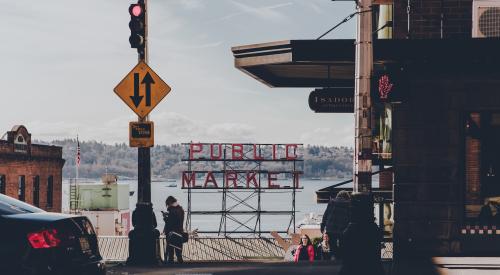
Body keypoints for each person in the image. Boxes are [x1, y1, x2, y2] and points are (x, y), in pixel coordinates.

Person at [320, 190, 351, 259]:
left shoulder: (331, 202)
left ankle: (334, 261)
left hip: (330, 229)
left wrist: (322, 228)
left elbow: (325, 215)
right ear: (347, 197)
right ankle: (340, 260)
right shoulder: (349, 204)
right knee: (343, 246)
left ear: (338, 196)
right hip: (343, 230)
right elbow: (350, 218)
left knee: (332, 246)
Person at [162, 196, 185, 264]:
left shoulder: (172, 211)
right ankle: (180, 261)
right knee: (178, 248)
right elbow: (177, 219)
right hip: (179, 231)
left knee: (170, 249)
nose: (167, 206)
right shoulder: (180, 209)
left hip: (171, 232)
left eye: (167, 204)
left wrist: (165, 217)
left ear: (169, 202)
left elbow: (170, 222)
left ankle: (170, 262)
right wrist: (168, 214)